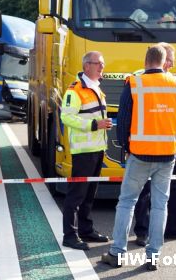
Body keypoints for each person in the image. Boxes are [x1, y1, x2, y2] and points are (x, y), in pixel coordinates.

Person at [101, 44, 176, 271]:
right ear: (164, 62)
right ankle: (153, 255)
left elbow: (123, 119)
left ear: (146, 60)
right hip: (168, 154)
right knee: (160, 205)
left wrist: (124, 147)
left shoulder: (134, 82)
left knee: (127, 202)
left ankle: (117, 252)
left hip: (139, 153)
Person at [133, 42, 176, 247]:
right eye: (169, 60)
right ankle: (142, 232)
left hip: (170, 144)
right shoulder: (139, 79)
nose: (171, 64)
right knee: (144, 190)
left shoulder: (175, 83)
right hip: (145, 146)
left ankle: (174, 227)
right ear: (160, 59)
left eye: (172, 61)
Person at [60, 51, 112, 250]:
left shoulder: (96, 88)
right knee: (76, 195)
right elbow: (66, 117)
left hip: (97, 149)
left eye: (102, 64)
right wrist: (94, 125)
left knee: (89, 194)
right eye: (98, 63)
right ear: (86, 66)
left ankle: (86, 230)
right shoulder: (75, 90)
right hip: (83, 152)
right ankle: (70, 235)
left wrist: (100, 126)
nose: (102, 67)